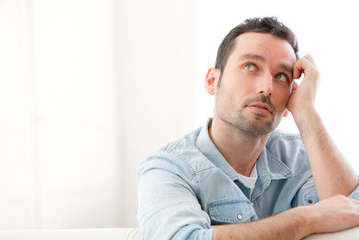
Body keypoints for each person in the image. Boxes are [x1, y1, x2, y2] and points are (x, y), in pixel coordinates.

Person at [137, 16, 359, 239]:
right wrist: (306, 218)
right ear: (212, 81)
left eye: (281, 76)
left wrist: (307, 113)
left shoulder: (301, 157)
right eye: (250, 66)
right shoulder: (169, 167)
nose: (266, 88)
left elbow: (351, 212)